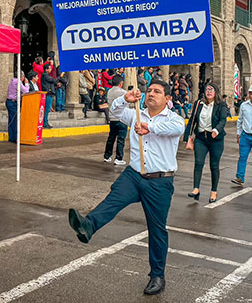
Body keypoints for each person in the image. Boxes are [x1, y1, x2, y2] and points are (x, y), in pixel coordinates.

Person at [68, 81, 184, 295]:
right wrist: (125, 99)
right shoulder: (136, 114)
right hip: (134, 175)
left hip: (159, 181)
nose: (151, 94)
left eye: (157, 92)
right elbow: (115, 111)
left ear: (167, 98)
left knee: (157, 229)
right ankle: (88, 226)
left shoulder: (174, 119)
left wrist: (150, 127)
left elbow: (177, 129)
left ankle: (157, 276)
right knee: (113, 199)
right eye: (149, 90)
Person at [184, 82, 228, 203]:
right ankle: (196, 188)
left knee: (214, 165)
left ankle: (213, 191)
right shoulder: (199, 104)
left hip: (215, 139)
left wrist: (216, 130)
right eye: (207, 90)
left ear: (216, 92)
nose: (209, 92)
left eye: (211, 90)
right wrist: (187, 136)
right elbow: (192, 119)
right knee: (198, 163)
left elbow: (223, 120)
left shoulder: (221, 105)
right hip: (201, 138)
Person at [104, 75, 128, 165]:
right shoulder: (123, 92)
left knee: (111, 138)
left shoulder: (109, 91)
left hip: (112, 117)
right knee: (121, 139)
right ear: (121, 83)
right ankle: (119, 157)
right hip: (121, 118)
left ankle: (107, 156)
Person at [6, 71, 30, 143]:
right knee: (15, 121)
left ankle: (12, 137)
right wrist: (26, 84)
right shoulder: (18, 82)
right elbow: (26, 90)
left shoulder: (13, 81)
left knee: (12, 120)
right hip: (13, 103)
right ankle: (15, 138)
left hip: (10, 102)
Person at [40, 64, 56, 128]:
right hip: (48, 94)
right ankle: (45, 123)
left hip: (49, 94)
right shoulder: (45, 75)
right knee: (47, 109)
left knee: (47, 109)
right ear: (46, 69)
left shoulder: (47, 75)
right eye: (49, 68)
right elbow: (53, 80)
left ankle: (45, 122)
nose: (50, 69)